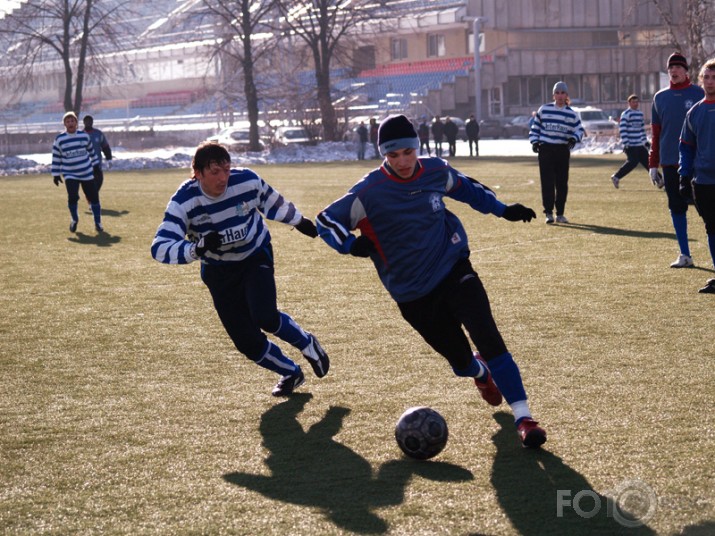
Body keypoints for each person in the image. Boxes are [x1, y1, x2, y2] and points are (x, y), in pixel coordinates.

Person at [316, 114, 547, 448]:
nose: (402, 161)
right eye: (393, 155)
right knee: (461, 361)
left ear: (417, 147)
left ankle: (524, 418)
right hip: (411, 293)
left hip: (453, 266)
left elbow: (467, 188)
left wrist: (502, 209)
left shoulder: (436, 170)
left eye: (408, 152)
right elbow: (326, 221)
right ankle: (480, 373)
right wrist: (350, 245)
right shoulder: (368, 192)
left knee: (487, 334)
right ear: (384, 155)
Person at [150, 142, 330, 396]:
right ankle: (290, 372)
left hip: (255, 255)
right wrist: (196, 249)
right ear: (198, 173)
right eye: (214, 172)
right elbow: (159, 247)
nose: (223, 177)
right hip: (218, 270)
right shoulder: (184, 201)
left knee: (264, 315)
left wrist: (299, 221)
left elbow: (272, 201)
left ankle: (307, 343)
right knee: (246, 341)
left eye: (226, 169)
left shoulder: (246, 180)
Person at [649, 52, 705, 268]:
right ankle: (685, 255)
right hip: (671, 163)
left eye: (678, 67)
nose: (674, 71)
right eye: (670, 68)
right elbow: (656, 134)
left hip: (698, 163)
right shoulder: (660, 97)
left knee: (707, 209)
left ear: (686, 71)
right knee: (677, 207)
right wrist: (653, 163)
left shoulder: (699, 93)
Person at [679, 57, 715, 293]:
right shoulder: (694, 112)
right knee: (712, 228)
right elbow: (686, 147)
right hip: (703, 182)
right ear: (701, 80)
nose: (711, 82)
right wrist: (684, 176)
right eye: (707, 77)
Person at [529, 81, 584, 224]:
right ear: (553, 95)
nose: (560, 95)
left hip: (561, 150)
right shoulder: (544, 110)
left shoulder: (571, 114)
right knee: (547, 182)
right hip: (546, 149)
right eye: (557, 92)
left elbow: (579, 130)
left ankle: (560, 213)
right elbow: (535, 127)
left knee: (561, 183)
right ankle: (548, 212)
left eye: (562, 93)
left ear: (566, 95)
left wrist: (573, 138)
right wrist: (535, 141)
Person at [51, 111, 104, 233]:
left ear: (76, 123)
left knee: (94, 198)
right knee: (73, 197)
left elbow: (92, 152)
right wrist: (55, 174)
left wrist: (96, 166)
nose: (70, 123)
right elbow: (56, 157)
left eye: (72, 121)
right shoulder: (60, 139)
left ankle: (98, 223)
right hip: (70, 174)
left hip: (86, 172)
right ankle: (74, 219)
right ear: (64, 124)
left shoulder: (84, 136)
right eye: (68, 121)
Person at [610, 95, 654, 189]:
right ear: (629, 103)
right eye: (633, 102)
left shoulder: (640, 114)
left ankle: (659, 180)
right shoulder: (626, 114)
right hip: (631, 144)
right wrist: (626, 142)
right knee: (633, 162)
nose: (636, 104)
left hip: (639, 144)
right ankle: (616, 177)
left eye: (637, 102)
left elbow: (642, 129)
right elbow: (623, 129)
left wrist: (645, 141)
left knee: (648, 162)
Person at [82, 115, 112, 193]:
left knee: (98, 183)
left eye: (90, 121)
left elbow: (105, 147)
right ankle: (93, 202)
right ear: (84, 123)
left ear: (92, 122)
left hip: (97, 165)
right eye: (86, 121)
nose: (88, 123)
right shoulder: (80, 135)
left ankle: (92, 200)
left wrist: (109, 159)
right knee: (89, 187)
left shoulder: (98, 134)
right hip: (85, 166)